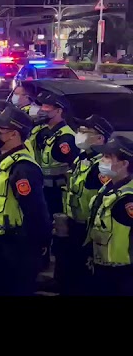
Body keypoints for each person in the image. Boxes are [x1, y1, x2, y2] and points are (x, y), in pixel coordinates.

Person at [0, 105, 51, 296]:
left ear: (14, 134)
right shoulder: (0, 157)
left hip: (15, 245)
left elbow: (35, 211)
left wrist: (39, 245)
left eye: (0, 129)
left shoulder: (23, 169)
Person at [56, 115, 113, 295]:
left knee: (85, 277)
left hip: (89, 231)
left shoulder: (103, 167)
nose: (79, 134)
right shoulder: (81, 158)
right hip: (73, 225)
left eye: (85, 131)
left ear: (100, 138)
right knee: (70, 270)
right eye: (79, 130)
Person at [86, 135, 133, 296]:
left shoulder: (128, 199)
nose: (102, 160)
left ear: (124, 164)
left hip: (122, 274)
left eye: (107, 156)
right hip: (103, 267)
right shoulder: (108, 187)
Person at [33, 91, 79, 216]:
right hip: (42, 189)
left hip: (58, 192)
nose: (42, 110)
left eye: (47, 107)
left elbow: (74, 167)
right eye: (42, 106)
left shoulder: (66, 138)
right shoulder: (42, 131)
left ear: (59, 111)